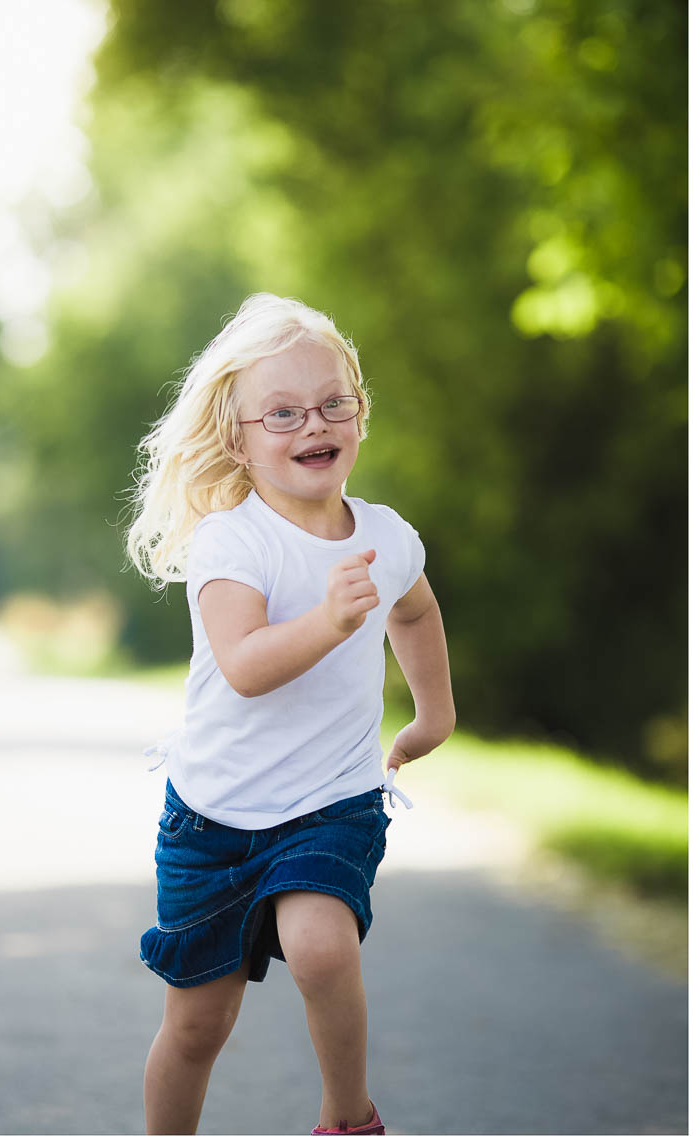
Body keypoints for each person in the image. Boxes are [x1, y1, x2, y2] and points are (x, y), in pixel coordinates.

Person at [124, 292, 456, 1135]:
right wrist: (331, 622)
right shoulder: (230, 543)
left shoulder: (386, 536)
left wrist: (432, 716)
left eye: (332, 403)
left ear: (359, 414)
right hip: (213, 816)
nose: (313, 423)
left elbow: (414, 613)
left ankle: (348, 1118)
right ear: (237, 437)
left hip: (331, 801)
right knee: (197, 1026)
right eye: (281, 412)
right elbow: (243, 666)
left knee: (320, 946)